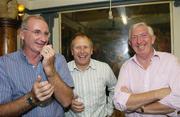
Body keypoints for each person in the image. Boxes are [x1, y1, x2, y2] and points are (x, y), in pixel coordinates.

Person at [0, 15, 74, 117]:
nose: (43, 39)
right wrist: (32, 98)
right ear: (22, 34)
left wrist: (51, 71)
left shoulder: (58, 59)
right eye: (37, 32)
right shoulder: (5, 64)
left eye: (46, 34)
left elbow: (67, 101)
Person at [113, 22, 180, 117]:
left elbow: (178, 100)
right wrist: (157, 94)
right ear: (130, 43)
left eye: (143, 35)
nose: (139, 41)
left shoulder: (170, 61)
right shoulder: (126, 67)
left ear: (152, 39)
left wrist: (137, 106)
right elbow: (118, 102)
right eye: (134, 37)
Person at [65, 32, 117, 117]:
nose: (82, 51)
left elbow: (115, 88)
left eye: (85, 47)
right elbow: (56, 95)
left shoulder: (104, 68)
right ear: (72, 51)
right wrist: (67, 104)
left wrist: (109, 110)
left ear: (91, 50)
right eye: (78, 47)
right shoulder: (63, 70)